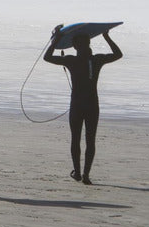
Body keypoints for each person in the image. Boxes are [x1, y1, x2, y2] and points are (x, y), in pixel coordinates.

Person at [44, 28, 123, 185]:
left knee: (75, 139)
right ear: (89, 43)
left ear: (74, 46)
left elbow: (47, 57)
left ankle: (78, 172)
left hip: (77, 105)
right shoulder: (97, 59)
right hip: (92, 104)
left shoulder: (71, 60)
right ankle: (86, 174)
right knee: (90, 140)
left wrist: (56, 40)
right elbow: (118, 54)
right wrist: (106, 36)